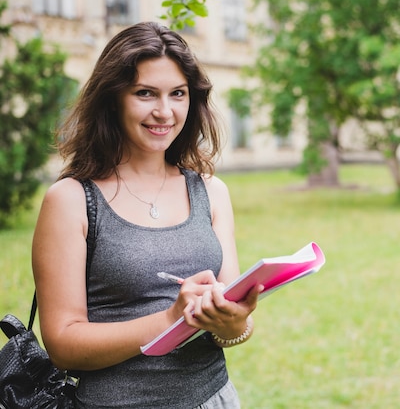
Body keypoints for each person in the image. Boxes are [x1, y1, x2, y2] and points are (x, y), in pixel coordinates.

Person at [31, 22, 262, 408]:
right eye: (145, 93)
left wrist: (233, 321)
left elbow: (235, 326)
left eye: (178, 94)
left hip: (214, 398)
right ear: (113, 99)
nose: (165, 111)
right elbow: (63, 345)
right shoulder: (71, 200)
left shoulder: (210, 192)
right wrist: (172, 318)